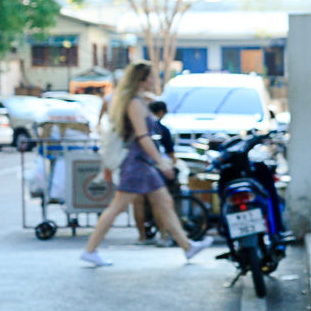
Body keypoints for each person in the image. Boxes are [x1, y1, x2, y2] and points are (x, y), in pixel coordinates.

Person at [80, 63, 213, 267]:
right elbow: (143, 137)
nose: (154, 80)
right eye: (151, 77)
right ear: (142, 80)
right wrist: (162, 162)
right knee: (118, 207)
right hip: (137, 163)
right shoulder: (134, 103)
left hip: (143, 163)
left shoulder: (138, 101)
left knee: (164, 203)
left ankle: (187, 246)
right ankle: (90, 249)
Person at [134, 100, 179, 245]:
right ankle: (164, 236)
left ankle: (142, 237)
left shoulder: (138, 126)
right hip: (154, 168)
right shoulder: (161, 128)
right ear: (161, 112)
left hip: (135, 167)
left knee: (138, 202)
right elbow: (171, 155)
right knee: (158, 203)